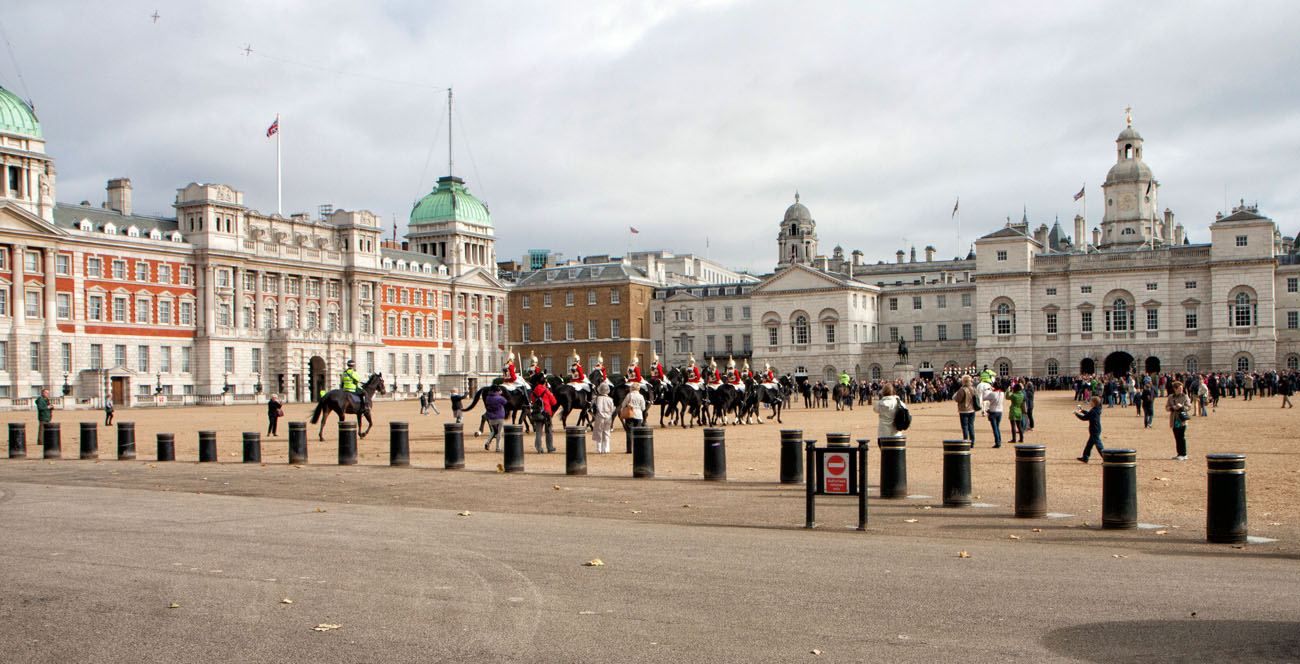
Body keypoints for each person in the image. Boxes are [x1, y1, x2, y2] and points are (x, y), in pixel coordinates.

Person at [1166, 381, 1192, 461]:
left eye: (1182, 388)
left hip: (1182, 419)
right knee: (1177, 437)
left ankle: (1184, 454)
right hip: (1174, 419)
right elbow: (1167, 407)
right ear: (1174, 389)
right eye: (1179, 388)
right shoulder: (1170, 397)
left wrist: (1181, 407)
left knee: (1182, 437)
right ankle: (1179, 454)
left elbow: (1189, 407)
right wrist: (1173, 407)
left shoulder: (1185, 396)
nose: (1181, 390)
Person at [1074, 396, 1105, 463]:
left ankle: (1106, 458)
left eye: (1091, 401)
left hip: (1094, 429)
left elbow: (1084, 418)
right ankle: (1085, 457)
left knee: (1099, 446)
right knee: (1089, 445)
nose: (1090, 402)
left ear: (1094, 403)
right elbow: (1088, 414)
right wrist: (1082, 410)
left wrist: (1076, 414)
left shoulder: (1093, 411)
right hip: (1096, 429)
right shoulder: (1097, 409)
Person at [620, 383, 647, 454]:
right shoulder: (641, 396)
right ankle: (637, 448)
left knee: (629, 432)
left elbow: (623, 404)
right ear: (638, 389)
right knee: (637, 433)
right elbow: (643, 407)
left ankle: (629, 449)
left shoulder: (629, 395)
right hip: (638, 415)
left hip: (629, 414)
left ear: (631, 388)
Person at [531, 382, 557, 453]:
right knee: (548, 431)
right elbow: (554, 402)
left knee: (538, 432)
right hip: (547, 412)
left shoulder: (534, 391)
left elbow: (533, 400)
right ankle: (550, 447)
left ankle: (539, 448)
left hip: (537, 412)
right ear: (544, 383)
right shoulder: (546, 391)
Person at [591, 383, 616, 454]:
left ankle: (599, 449)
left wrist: (594, 415)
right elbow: (612, 409)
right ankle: (606, 448)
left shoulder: (596, 398)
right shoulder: (610, 399)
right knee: (606, 432)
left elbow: (592, 408)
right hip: (608, 417)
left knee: (598, 432)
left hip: (599, 417)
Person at [954, 375, 978, 443]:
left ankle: (966, 440)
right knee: (971, 426)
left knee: (965, 426)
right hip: (972, 409)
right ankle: (972, 441)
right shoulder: (973, 388)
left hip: (964, 410)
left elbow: (958, 399)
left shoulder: (962, 389)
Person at [483, 387, 507, 452]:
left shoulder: (488, 397)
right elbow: (505, 402)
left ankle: (487, 442)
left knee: (493, 431)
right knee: (499, 433)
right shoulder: (500, 398)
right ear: (497, 391)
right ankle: (498, 448)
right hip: (499, 417)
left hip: (491, 418)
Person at [982, 381, 1006, 448]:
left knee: (995, 428)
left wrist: (987, 391)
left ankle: (997, 442)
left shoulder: (992, 394)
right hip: (1000, 411)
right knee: (997, 427)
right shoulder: (1002, 393)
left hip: (993, 411)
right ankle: (999, 440)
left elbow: (984, 398)